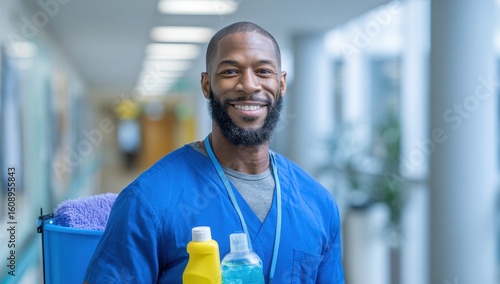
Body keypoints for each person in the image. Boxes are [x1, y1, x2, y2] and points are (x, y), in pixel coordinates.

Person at [84, 21, 344, 284]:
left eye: (264, 71)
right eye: (230, 71)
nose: (249, 85)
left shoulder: (318, 204)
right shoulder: (148, 200)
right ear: (206, 85)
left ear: (282, 83)